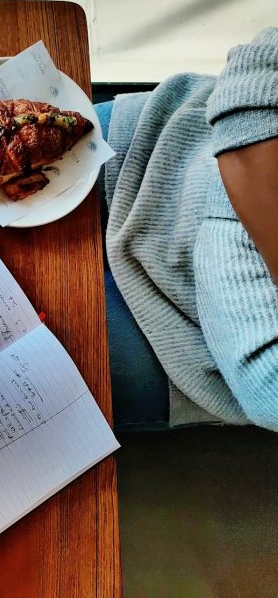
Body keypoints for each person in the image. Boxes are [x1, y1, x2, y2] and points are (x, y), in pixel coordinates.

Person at [97, 28, 278, 432]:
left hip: (180, 338)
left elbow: (266, 384)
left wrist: (244, 169)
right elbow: (260, 65)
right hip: (158, 138)